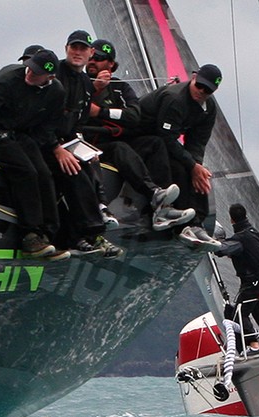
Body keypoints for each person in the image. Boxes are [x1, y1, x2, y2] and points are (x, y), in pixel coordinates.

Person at [0, 48, 69, 260]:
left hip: (22, 135)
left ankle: (49, 234)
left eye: (37, 72)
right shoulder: (7, 81)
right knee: (27, 172)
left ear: (49, 77)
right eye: (30, 68)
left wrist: (41, 142)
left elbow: (50, 124)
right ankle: (30, 234)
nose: (31, 73)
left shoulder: (56, 91)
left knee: (43, 173)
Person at [85, 38, 193, 232]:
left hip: (115, 142)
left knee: (155, 143)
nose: (92, 61)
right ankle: (153, 193)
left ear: (110, 64)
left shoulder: (121, 87)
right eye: (90, 57)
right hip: (90, 145)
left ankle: (164, 210)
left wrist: (102, 112)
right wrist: (95, 90)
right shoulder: (79, 84)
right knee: (121, 147)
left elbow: (134, 116)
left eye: (99, 58)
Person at [129, 64, 222, 248]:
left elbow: (197, 143)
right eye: (199, 86)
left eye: (207, 90)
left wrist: (197, 169)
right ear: (193, 77)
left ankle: (195, 224)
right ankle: (166, 211)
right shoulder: (175, 99)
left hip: (160, 139)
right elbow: (167, 137)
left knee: (197, 171)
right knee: (180, 162)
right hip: (134, 137)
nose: (201, 92)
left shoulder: (209, 108)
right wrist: (192, 166)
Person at [48, 30, 122, 257]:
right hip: (44, 142)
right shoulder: (55, 74)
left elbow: (78, 123)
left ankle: (94, 229)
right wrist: (56, 148)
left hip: (67, 141)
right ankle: (87, 235)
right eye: (74, 48)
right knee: (75, 173)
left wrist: (82, 146)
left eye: (83, 49)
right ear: (66, 49)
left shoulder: (84, 82)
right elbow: (40, 116)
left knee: (89, 163)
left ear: (90, 53)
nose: (77, 52)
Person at [213, 203, 259, 355]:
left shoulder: (240, 238)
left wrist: (209, 243)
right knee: (258, 310)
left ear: (231, 220)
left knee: (238, 314)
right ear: (245, 216)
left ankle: (254, 345)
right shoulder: (254, 233)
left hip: (252, 282)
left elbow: (223, 250)